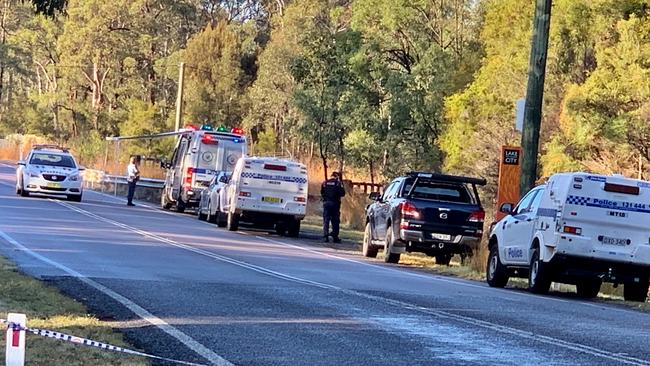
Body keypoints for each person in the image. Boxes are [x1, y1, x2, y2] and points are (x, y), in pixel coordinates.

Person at [321, 171, 346, 243]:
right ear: (337, 176)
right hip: (335, 204)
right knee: (335, 220)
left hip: (326, 203)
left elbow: (322, 193)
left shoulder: (325, 183)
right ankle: (335, 237)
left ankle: (325, 236)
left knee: (326, 220)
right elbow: (343, 193)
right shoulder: (338, 183)